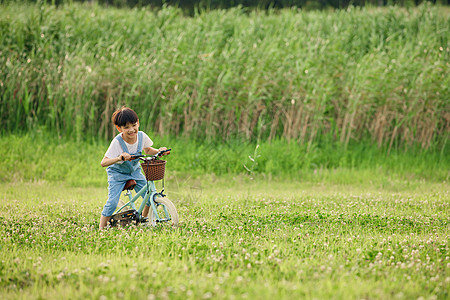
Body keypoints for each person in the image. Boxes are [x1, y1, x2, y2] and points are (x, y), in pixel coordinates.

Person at [99, 106, 168, 230]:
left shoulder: (141, 136)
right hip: (117, 174)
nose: (131, 130)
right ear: (119, 128)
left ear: (138, 123)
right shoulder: (117, 142)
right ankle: (101, 228)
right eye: (126, 127)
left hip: (135, 171)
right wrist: (119, 158)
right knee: (112, 203)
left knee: (149, 195)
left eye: (134, 125)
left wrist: (159, 151)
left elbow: (147, 150)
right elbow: (103, 162)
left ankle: (142, 220)